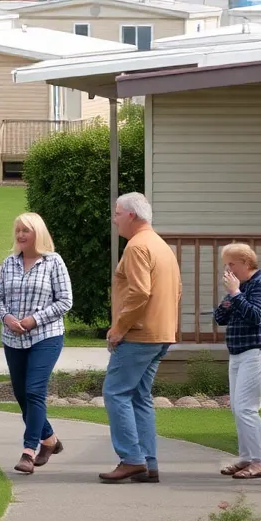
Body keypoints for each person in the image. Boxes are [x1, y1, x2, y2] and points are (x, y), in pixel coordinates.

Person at [99, 193, 182, 484]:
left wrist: (119, 327)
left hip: (139, 335)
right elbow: (177, 290)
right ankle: (148, 462)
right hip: (161, 333)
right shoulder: (161, 245)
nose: (115, 218)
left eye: (118, 213)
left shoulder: (136, 247)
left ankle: (131, 459)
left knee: (115, 393)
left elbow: (139, 292)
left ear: (132, 216)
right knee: (139, 397)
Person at [0, 213, 73, 474]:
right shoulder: (8, 264)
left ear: (38, 233)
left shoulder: (53, 262)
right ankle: (50, 440)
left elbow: (65, 301)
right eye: (18, 230)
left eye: (26, 230)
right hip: (12, 338)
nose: (21, 235)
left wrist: (33, 320)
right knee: (21, 393)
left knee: (35, 390)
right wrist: (6, 317)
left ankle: (29, 451)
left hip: (45, 336)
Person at [212, 243, 261, 479]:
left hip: (257, 351)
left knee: (246, 407)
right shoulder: (239, 286)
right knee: (237, 407)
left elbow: (256, 316)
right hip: (238, 352)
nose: (227, 269)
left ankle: (259, 462)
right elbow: (220, 316)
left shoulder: (260, 283)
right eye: (225, 264)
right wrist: (233, 295)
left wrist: (236, 295)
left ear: (246, 263)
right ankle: (246, 458)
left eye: (231, 264)